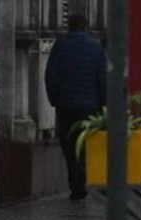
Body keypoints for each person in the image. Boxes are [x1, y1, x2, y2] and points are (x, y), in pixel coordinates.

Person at [44, 12, 106, 201]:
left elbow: (50, 76)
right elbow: (102, 79)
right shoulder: (96, 48)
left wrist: (55, 99)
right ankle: (83, 176)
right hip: (90, 107)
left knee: (69, 145)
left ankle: (75, 183)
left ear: (69, 26)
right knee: (86, 143)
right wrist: (103, 103)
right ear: (86, 26)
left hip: (66, 106)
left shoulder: (60, 47)